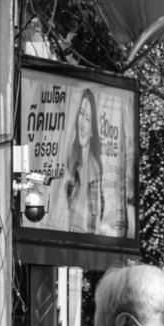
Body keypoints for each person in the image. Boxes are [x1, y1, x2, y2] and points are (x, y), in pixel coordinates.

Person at [65, 89, 104, 233]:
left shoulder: (96, 170)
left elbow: (98, 215)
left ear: (93, 130)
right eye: (81, 114)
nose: (82, 123)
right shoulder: (71, 157)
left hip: (88, 239)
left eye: (87, 119)